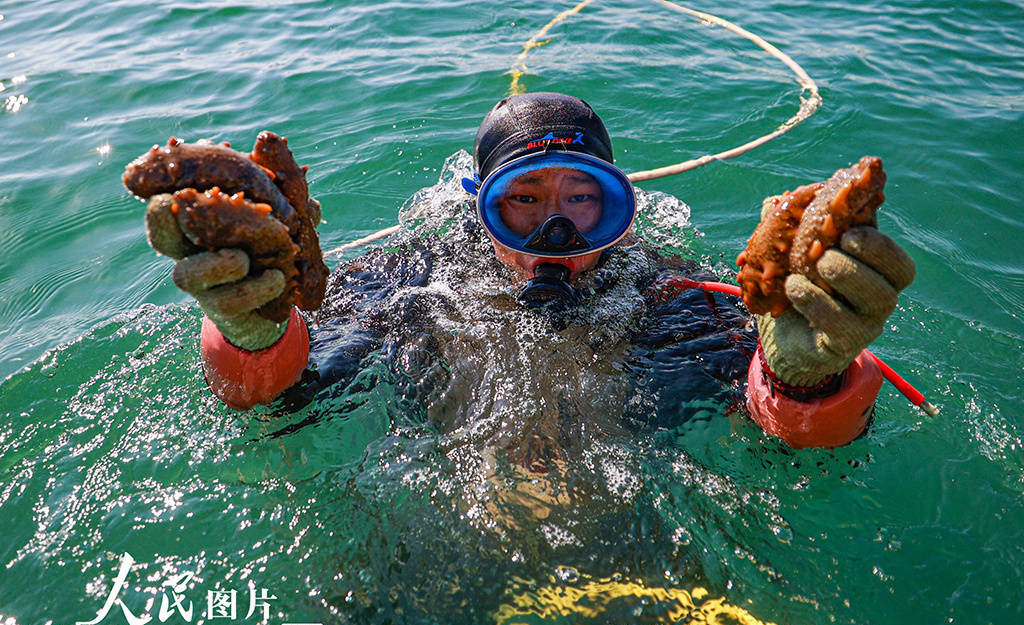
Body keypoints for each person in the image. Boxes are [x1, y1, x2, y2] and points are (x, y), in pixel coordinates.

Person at [145, 92, 914, 450]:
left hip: (636, 554)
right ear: (477, 209)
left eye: (585, 199)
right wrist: (249, 332)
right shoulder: (408, 285)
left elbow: (787, 430)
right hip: (431, 550)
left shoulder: (678, 294)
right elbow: (281, 399)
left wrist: (806, 378)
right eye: (525, 204)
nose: (558, 231)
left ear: (623, 208)